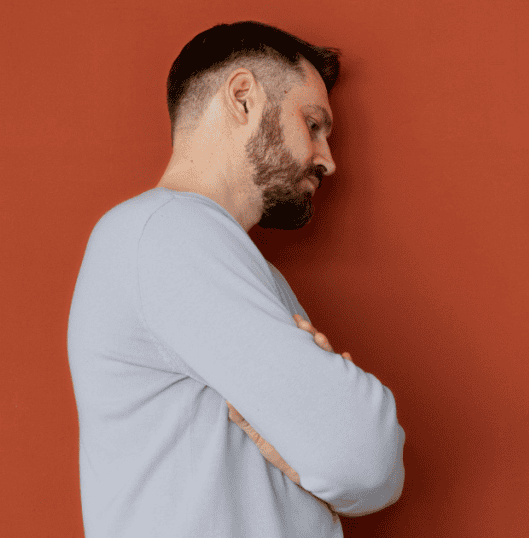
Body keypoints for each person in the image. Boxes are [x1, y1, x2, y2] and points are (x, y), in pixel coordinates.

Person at [67, 21, 404, 537]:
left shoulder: (221, 255)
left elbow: (368, 475)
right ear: (244, 98)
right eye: (313, 125)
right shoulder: (170, 230)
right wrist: (328, 422)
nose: (328, 160)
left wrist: (326, 445)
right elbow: (366, 455)